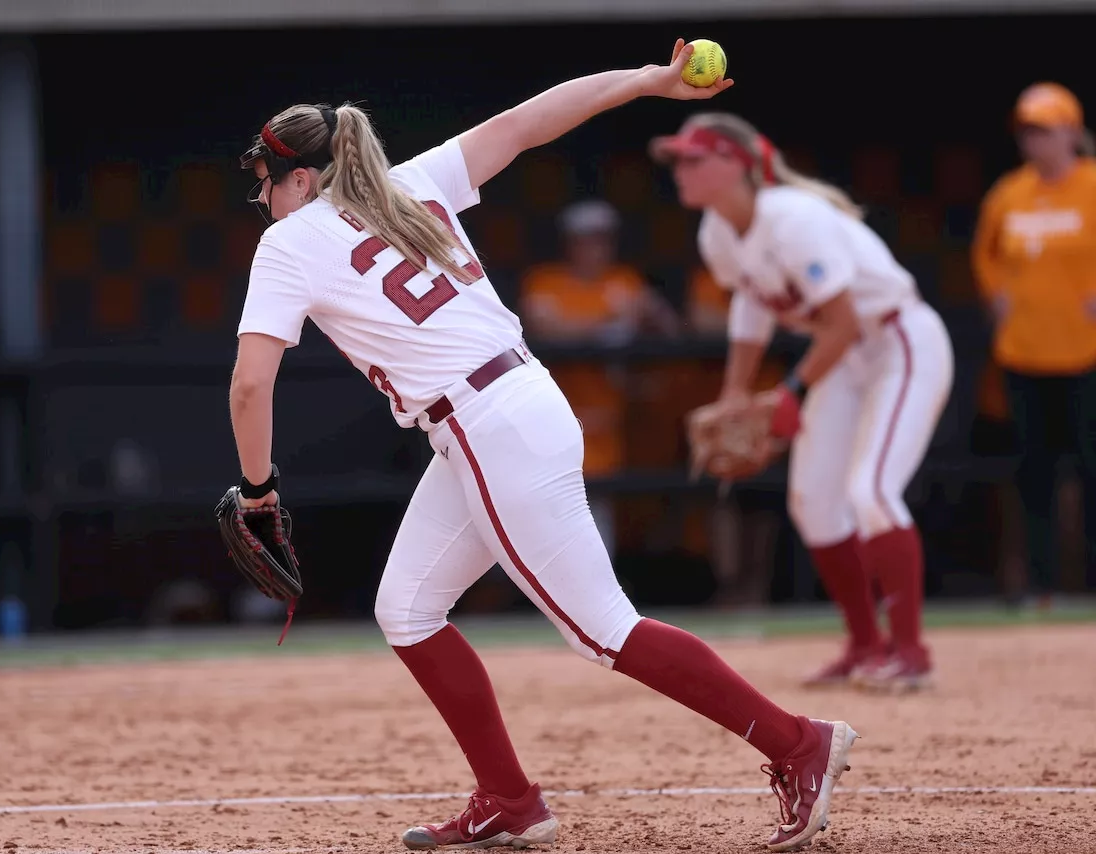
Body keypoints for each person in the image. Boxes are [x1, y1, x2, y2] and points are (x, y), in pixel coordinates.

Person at [229, 40, 856, 853]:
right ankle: (509, 799)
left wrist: (257, 489)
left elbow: (249, 386)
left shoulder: (288, 242)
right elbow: (532, 121)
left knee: (603, 630)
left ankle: (797, 744)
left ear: (303, 178)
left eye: (267, 180)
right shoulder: (410, 184)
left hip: (488, 427)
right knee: (409, 610)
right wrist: (643, 82)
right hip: (506, 409)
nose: (265, 197)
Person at [649, 112, 954, 692]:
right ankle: (866, 647)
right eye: (677, 160)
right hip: (842, 357)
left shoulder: (793, 219)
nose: (679, 171)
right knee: (814, 501)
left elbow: (840, 324)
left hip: (899, 341)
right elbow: (753, 304)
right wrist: (737, 391)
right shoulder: (717, 231)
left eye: (693, 159)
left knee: (871, 492)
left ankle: (910, 654)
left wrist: (792, 392)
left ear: (734, 164)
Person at [971, 82, 1096, 607]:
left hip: (1086, 352)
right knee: (1035, 473)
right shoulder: (1009, 193)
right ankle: (1042, 585)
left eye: (1043, 130)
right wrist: (995, 295)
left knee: (1090, 470)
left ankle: (1088, 582)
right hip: (1024, 352)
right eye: (1027, 132)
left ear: (1071, 130)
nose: (1034, 141)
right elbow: (985, 254)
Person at [519, 199, 680, 557]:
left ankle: (594, 603)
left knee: (598, 514)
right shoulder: (547, 281)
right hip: (552, 417)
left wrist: (649, 314)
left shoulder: (624, 280)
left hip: (607, 418)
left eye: (602, 239)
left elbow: (670, 330)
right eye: (586, 239)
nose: (595, 248)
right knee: (544, 510)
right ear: (570, 243)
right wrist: (609, 322)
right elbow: (545, 328)